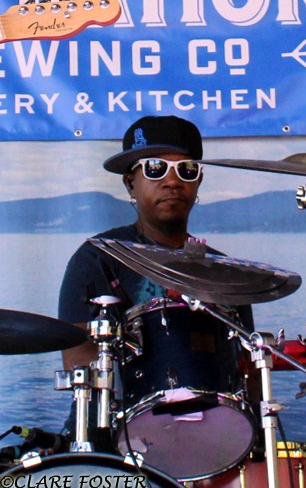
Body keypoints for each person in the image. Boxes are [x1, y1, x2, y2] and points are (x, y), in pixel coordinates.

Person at [57, 116, 255, 465]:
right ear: (130, 183)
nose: (172, 181)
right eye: (155, 169)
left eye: (186, 170)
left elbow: (244, 369)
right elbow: (79, 363)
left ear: (198, 181)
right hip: (110, 441)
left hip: (211, 437)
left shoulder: (224, 272)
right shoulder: (97, 258)